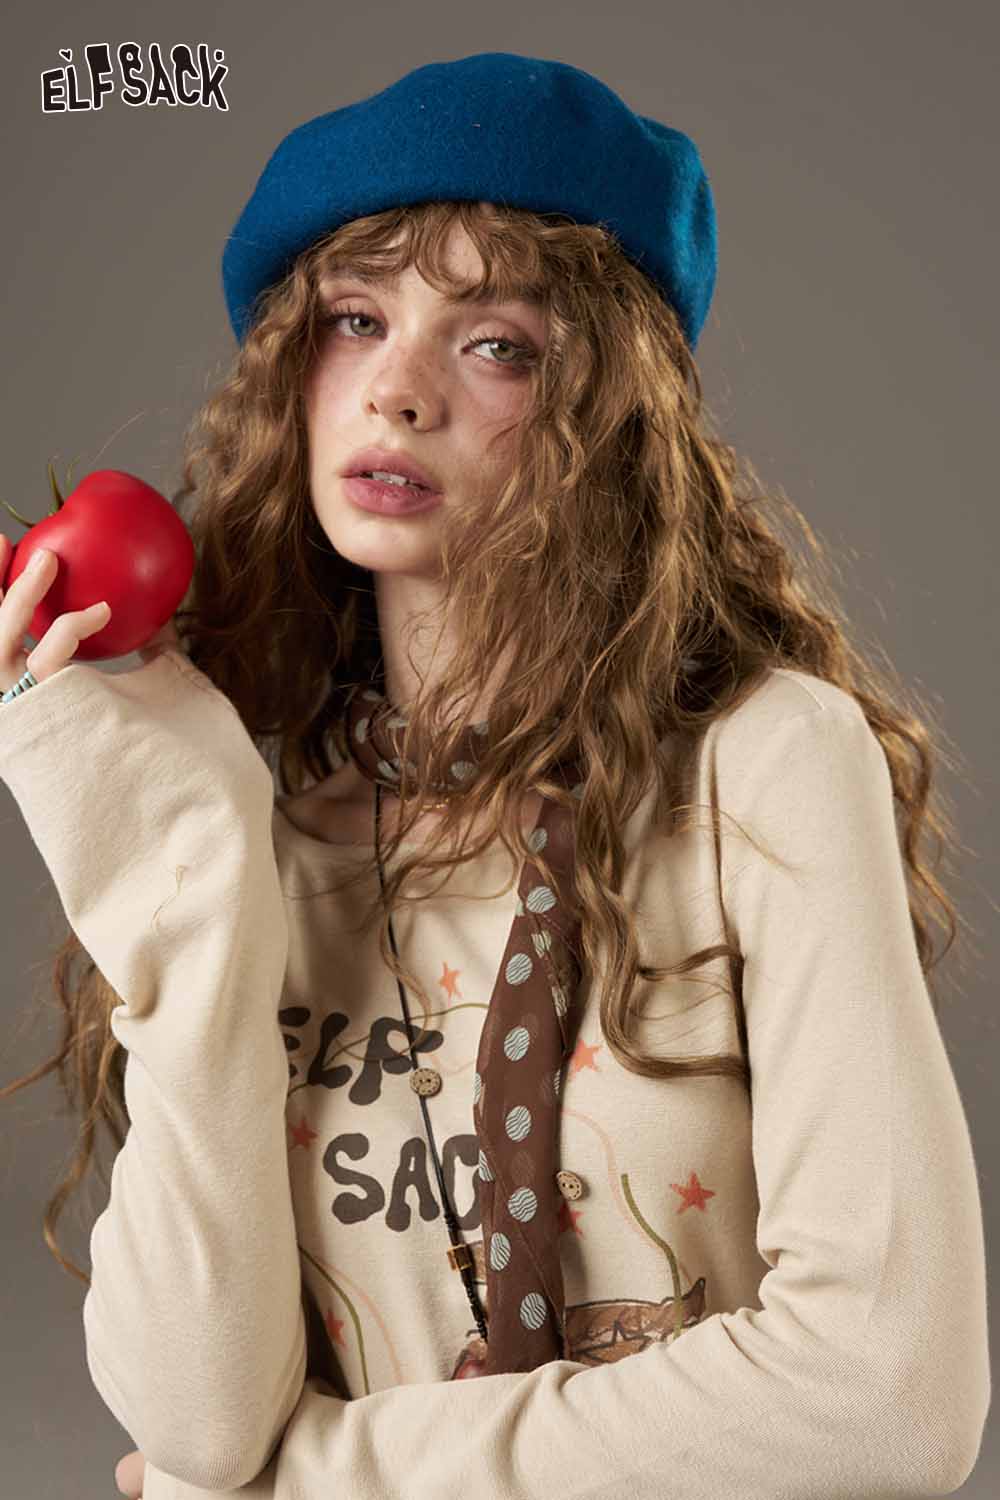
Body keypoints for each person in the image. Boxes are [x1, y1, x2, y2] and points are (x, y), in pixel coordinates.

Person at [0, 51, 989, 1500]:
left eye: (496, 344)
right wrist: (185, 872)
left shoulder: (769, 767)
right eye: (356, 319)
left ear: (610, 409)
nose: (395, 392)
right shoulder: (270, 816)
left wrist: (323, 1478)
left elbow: (892, 1398)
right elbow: (200, 1424)